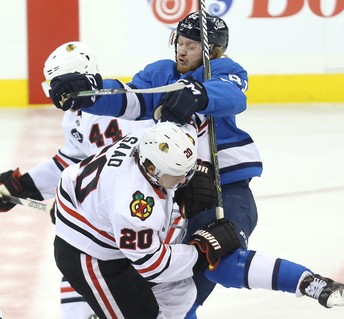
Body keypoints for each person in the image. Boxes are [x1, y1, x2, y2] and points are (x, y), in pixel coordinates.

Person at [47, 12, 262, 318]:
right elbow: (131, 99)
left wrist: (200, 93)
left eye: (191, 45)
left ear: (212, 52)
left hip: (223, 184)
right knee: (166, 273)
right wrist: (90, 93)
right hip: (175, 184)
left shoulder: (223, 70)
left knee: (214, 258)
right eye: (180, 42)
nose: (182, 51)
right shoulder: (161, 73)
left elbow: (232, 96)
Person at [0, 41, 155, 319]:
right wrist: (23, 186)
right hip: (101, 225)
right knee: (80, 273)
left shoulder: (131, 109)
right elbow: (71, 162)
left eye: (58, 85)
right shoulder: (76, 116)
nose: (55, 94)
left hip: (138, 220)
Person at [53, 121, 242, 319]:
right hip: (90, 256)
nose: (182, 181)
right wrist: (201, 251)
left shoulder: (155, 137)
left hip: (91, 207)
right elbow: (152, 265)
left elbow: (193, 124)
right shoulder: (135, 206)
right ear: (152, 169)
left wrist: (200, 169)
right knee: (141, 315)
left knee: (179, 292)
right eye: (175, 176)